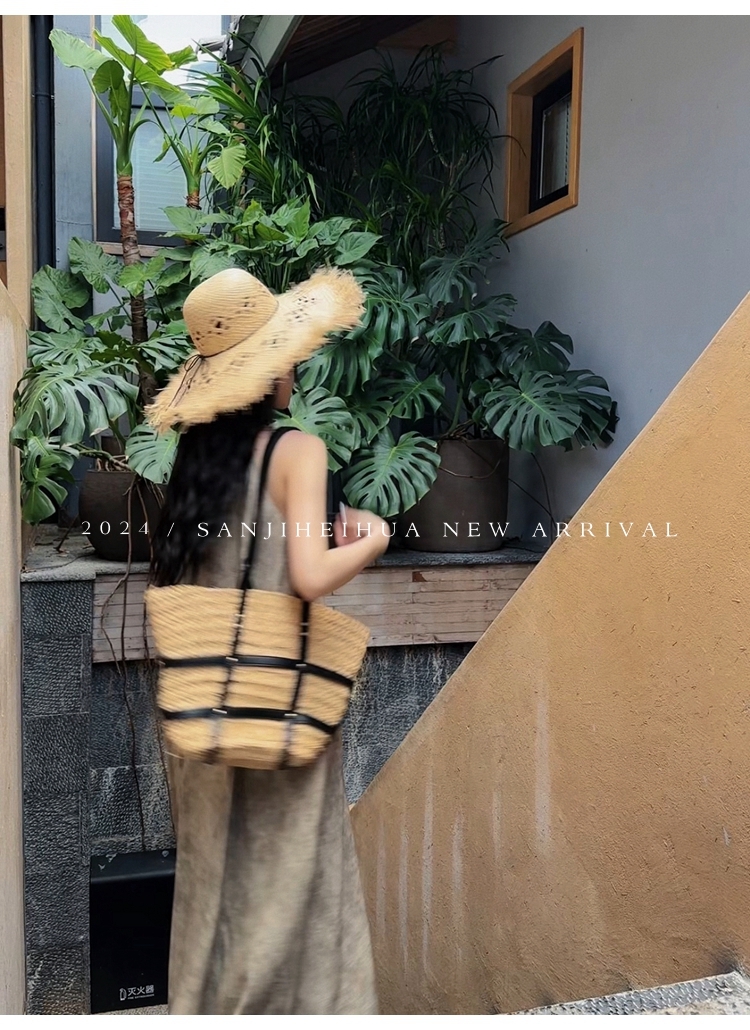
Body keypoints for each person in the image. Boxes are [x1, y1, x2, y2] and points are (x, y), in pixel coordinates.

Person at [147, 267, 390, 1014]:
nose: (296, 365)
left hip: (203, 703)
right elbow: (309, 576)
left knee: (212, 893)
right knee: (290, 890)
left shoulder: (198, 462)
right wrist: (373, 539)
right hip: (278, 696)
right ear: (270, 368)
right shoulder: (296, 451)